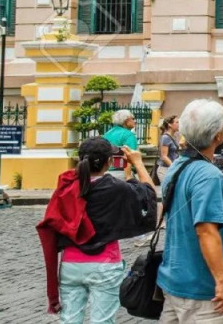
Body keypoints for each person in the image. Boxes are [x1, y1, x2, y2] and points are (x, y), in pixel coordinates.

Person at [37, 137, 157, 322]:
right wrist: (138, 164)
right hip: (105, 264)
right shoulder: (116, 188)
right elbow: (149, 195)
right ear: (109, 161)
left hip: (71, 264)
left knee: (69, 320)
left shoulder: (67, 185)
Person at [157, 99, 223, 323]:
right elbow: (205, 231)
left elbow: (187, 216)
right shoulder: (209, 176)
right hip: (203, 291)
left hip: (173, 282)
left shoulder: (176, 166)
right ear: (218, 137)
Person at [102, 109, 139, 179]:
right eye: (133, 119)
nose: (135, 121)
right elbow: (128, 156)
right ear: (126, 120)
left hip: (106, 172)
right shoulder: (128, 135)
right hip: (122, 173)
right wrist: (128, 177)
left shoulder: (107, 134)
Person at [158, 115, 181, 184]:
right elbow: (164, 156)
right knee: (168, 189)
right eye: (177, 122)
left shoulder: (173, 136)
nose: (179, 124)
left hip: (171, 169)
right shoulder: (166, 137)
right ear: (170, 125)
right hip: (165, 170)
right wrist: (174, 167)